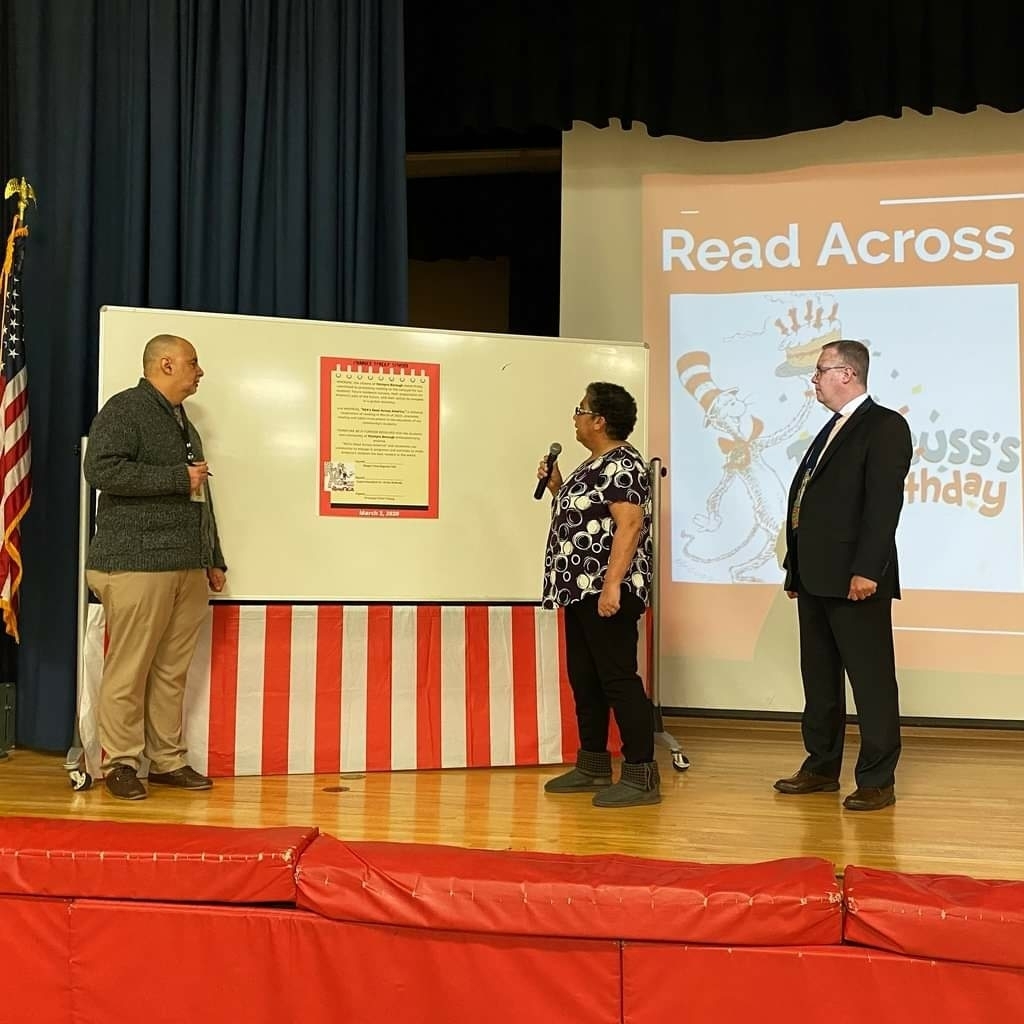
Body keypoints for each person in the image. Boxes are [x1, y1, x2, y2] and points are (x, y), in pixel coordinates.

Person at [84, 334, 227, 801]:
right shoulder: (125, 409)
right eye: (193, 361)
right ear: (165, 364)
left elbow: (199, 494)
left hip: (185, 564)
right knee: (130, 667)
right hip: (135, 561)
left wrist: (213, 557)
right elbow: (100, 470)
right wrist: (174, 477)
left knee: (171, 669)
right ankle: (121, 762)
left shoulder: (183, 421)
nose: (199, 371)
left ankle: (167, 760)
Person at [775, 339, 912, 812]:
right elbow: (805, 505)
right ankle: (820, 766)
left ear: (847, 374)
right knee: (819, 678)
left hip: (856, 579)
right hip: (814, 577)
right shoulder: (833, 428)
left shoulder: (885, 425)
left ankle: (877, 778)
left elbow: (882, 505)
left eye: (819, 370)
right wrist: (794, 568)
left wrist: (866, 570)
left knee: (870, 680)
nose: (813, 379)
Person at [539, 382, 659, 807]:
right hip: (578, 590)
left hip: (605, 589)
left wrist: (612, 585)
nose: (575, 417)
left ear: (599, 420)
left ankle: (642, 774)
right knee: (585, 678)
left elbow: (629, 525)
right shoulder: (593, 465)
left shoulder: (623, 464)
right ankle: (592, 764)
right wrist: (557, 486)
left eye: (580, 409)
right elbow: (587, 522)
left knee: (618, 679)